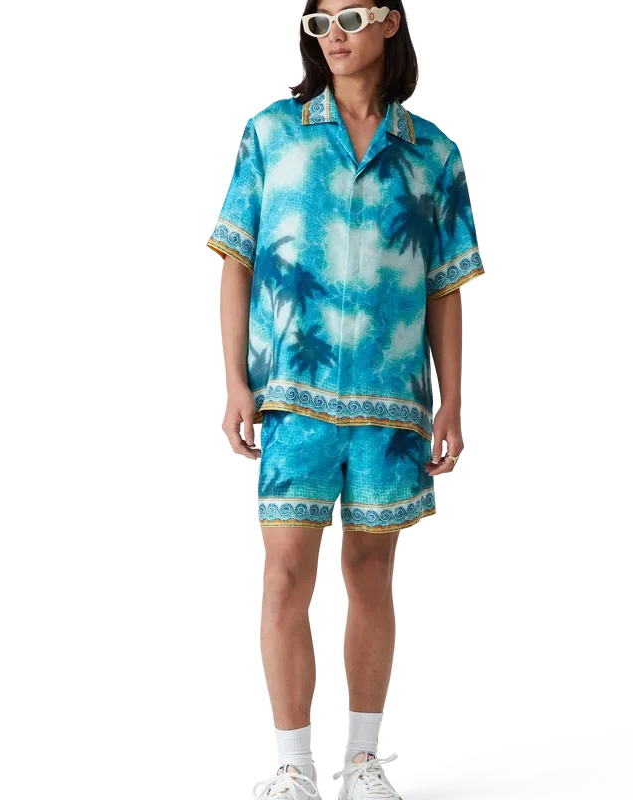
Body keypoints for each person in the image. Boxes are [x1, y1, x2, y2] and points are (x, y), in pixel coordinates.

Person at [209, 3, 486, 798]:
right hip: (290, 396)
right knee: (285, 574)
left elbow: (445, 287)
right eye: (318, 22)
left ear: (391, 24)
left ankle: (364, 759)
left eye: (352, 17)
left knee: (370, 571)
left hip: (392, 402)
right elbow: (235, 257)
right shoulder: (274, 131)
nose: (333, 34)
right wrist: (233, 379)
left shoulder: (432, 151)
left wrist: (450, 399)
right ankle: (291, 765)